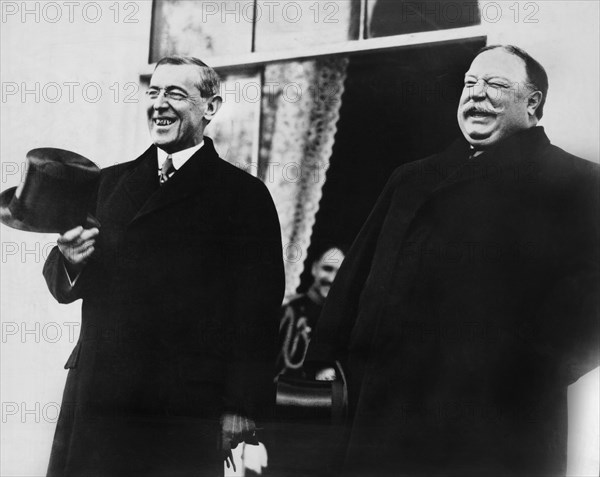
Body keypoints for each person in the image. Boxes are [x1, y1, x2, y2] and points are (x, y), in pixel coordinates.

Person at [306, 45, 599, 476]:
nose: (476, 95)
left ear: (533, 102)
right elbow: (355, 277)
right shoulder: (412, 178)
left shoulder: (578, 183)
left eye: (495, 85)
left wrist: (521, 373)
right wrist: (324, 360)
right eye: (469, 84)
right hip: (384, 416)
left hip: (494, 425)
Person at [43, 56, 284, 476]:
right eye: (153, 92)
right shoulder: (108, 183)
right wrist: (68, 261)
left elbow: (258, 310)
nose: (159, 104)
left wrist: (241, 405)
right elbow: (65, 279)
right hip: (99, 392)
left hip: (182, 404)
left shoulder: (243, 196)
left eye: (175, 93)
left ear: (210, 107)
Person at [277, 245, 345, 378]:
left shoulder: (345, 320)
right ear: (314, 268)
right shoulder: (289, 311)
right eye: (327, 269)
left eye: (340, 273)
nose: (332, 279)